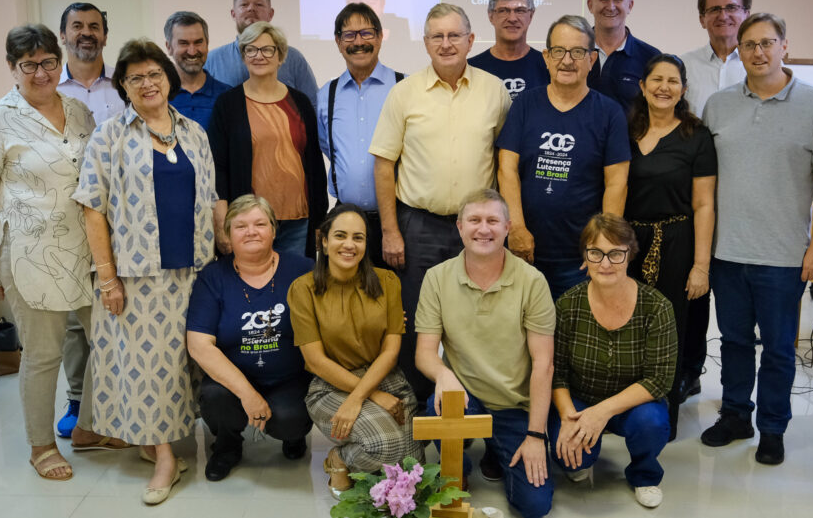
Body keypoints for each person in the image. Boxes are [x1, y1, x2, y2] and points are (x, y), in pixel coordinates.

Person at [0, 24, 129, 481]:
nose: (41, 73)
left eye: (48, 62)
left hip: (89, 252)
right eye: (29, 65)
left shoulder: (78, 111)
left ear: (60, 61)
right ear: (12, 68)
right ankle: (41, 446)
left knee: (107, 343)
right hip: (30, 257)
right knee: (43, 356)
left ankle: (89, 427)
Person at [72, 38, 218, 505]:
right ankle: (165, 459)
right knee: (148, 371)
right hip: (138, 276)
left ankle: (159, 443)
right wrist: (107, 277)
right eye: (135, 77)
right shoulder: (109, 136)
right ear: (123, 86)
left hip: (194, 271)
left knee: (183, 365)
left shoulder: (194, 133)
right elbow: (92, 208)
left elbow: (212, 200)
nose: (148, 83)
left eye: (155, 74)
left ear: (168, 78)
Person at [700, 13, 813, 465]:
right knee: (734, 342)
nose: (758, 52)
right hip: (727, 251)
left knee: (778, 349)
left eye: (767, 43)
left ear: (784, 46)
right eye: (749, 44)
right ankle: (735, 415)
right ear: (738, 50)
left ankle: (773, 428)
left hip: (783, 256)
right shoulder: (718, 106)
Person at [370, 3, 510, 405]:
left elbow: (506, 162)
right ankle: (421, 413)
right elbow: (384, 165)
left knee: (479, 320)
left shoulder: (494, 91)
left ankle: (476, 409)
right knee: (419, 320)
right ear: (426, 42)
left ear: (471, 40)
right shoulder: (404, 93)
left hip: (479, 229)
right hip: (419, 226)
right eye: (437, 36)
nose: (446, 44)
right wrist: (390, 231)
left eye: (454, 35)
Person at [415, 189, 555, 518]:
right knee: (436, 407)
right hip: (465, 399)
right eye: (474, 220)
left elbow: (544, 364)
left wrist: (536, 435)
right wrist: (444, 375)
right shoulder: (437, 278)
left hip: (514, 406)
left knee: (534, 506)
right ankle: (458, 468)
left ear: (507, 227)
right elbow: (424, 353)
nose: (483, 229)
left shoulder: (533, 281)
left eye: (493, 220)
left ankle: (497, 447)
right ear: (460, 226)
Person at [288, 203, 424, 499]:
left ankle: (358, 455)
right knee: (384, 446)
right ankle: (339, 460)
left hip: (386, 378)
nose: (349, 245)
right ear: (324, 240)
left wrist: (367, 393)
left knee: (412, 464)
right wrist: (366, 396)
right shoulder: (303, 289)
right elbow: (315, 360)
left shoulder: (388, 282)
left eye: (358, 238)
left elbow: (391, 350)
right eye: (340, 235)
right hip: (332, 385)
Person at [497, 14, 630, 299]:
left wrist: (603, 244)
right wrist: (516, 228)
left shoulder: (609, 113)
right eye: (558, 51)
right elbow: (507, 169)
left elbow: (617, 183)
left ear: (592, 59)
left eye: (577, 52)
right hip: (524, 252)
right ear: (546, 57)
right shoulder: (524, 104)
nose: (567, 60)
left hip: (580, 258)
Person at [551, 213, 676, 509]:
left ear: (630, 254)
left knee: (651, 423)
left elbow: (659, 380)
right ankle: (582, 456)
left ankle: (644, 474)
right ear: (585, 257)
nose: (605, 263)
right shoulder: (568, 304)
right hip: (581, 399)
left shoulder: (657, 307)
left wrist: (602, 412)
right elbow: (557, 373)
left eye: (615, 254)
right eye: (596, 253)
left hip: (633, 405)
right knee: (571, 457)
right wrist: (569, 418)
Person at [187, 194, 313, 482]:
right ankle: (227, 446)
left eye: (260, 224)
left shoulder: (304, 270)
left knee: (290, 419)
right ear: (228, 234)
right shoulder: (212, 277)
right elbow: (199, 345)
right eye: (241, 226)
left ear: (273, 230)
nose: (251, 231)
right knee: (215, 397)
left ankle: (292, 437)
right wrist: (247, 394)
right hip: (232, 381)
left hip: (289, 379)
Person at [624, 53, 716, 440]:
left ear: (683, 89)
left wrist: (701, 266)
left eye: (673, 81)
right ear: (642, 86)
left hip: (676, 243)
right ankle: (625, 413)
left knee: (668, 331)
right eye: (657, 80)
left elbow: (704, 204)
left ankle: (663, 419)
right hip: (627, 244)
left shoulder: (696, 136)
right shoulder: (625, 130)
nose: (664, 87)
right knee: (627, 326)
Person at [677, 0, 752, 405]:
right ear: (702, 17)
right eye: (714, 9)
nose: (723, 15)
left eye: (732, 7)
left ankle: (737, 398)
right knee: (694, 291)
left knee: (738, 307)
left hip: (745, 200)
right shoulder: (683, 67)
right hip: (694, 200)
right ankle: (690, 371)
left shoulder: (759, 63)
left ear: (745, 13)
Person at [54, 1, 124, 438]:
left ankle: (118, 398)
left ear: (105, 35)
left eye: (94, 26)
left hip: (122, 218)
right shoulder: (48, 90)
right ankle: (79, 399)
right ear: (63, 35)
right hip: (68, 220)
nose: (86, 33)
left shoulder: (123, 86)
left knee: (119, 308)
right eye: (77, 26)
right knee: (74, 319)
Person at [208, 21, 328, 261]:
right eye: (251, 49)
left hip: (298, 221)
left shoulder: (300, 102)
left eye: (267, 49)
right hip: (248, 222)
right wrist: (221, 223)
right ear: (243, 56)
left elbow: (315, 164)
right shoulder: (227, 104)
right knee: (251, 282)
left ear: (280, 56)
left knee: (295, 283)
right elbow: (217, 167)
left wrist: (320, 220)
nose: (258, 55)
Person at [317, 3, 403, 268]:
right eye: (349, 35)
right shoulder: (326, 95)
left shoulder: (404, 87)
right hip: (344, 221)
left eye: (366, 33)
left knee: (395, 292)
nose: (358, 42)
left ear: (380, 36)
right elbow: (329, 148)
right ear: (338, 42)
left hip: (399, 221)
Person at [205, 0, 319, 106]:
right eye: (244, 4)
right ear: (233, 14)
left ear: (271, 14)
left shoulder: (293, 58)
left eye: (259, 4)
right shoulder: (212, 61)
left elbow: (313, 106)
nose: (251, 9)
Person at [586, 0, 661, 114]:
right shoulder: (572, 53)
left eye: (617, 0)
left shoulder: (651, 58)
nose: (610, 7)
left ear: (630, 6)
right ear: (590, 5)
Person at [468, 0, 549, 100]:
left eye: (520, 10)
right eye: (503, 10)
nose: (512, 18)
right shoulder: (471, 69)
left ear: (531, 15)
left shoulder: (549, 67)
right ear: (491, 16)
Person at [164, 11, 231, 129]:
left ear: (207, 44)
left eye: (198, 42)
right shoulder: (158, 95)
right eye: (184, 43)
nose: (192, 51)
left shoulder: (228, 96)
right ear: (169, 47)